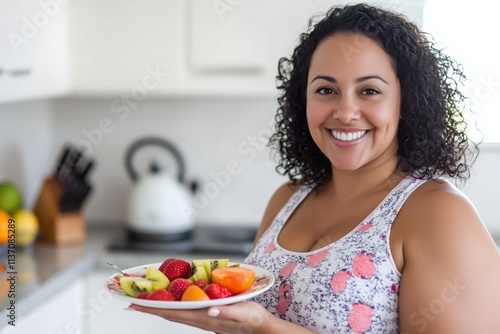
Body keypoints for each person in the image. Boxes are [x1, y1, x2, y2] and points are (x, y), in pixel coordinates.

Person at [128, 3, 500, 333]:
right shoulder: (288, 199)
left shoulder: (438, 212)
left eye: (369, 90)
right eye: (326, 90)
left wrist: (264, 328)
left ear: (406, 103)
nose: (345, 111)